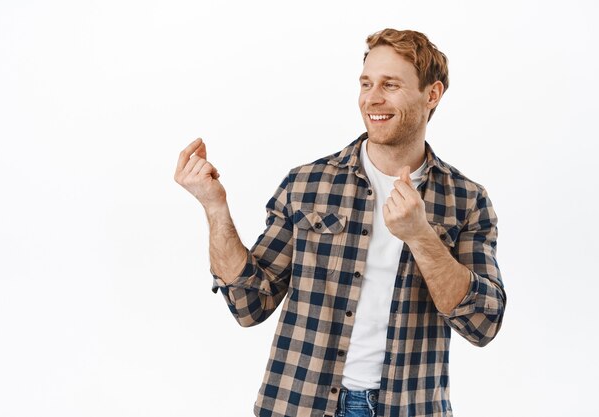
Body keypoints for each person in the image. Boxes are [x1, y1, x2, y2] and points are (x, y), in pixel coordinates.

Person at [174, 28, 506, 417]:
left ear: (431, 94)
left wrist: (420, 235)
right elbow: (250, 304)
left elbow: (482, 324)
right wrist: (215, 207)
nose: (372, 98)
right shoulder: (307, 184)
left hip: (409, 407)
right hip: (299, 405)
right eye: (366, 83)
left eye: (390, 84)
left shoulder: (466, 200)